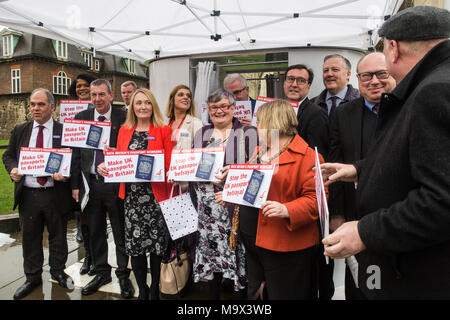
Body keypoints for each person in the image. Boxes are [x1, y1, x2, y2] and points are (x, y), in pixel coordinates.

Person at [320, 6, 450, 299]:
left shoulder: (433, 91)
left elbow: (441, 199)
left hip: (421, 272)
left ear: (393, 48)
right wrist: (359, 170)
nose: (377, 81)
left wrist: (365, 231)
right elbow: (415, 159)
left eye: (381, 73)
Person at [217, 99, 322, 299]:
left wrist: (287, 210)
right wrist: (232, 191)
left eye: (260, 122)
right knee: (257, 295)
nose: (256, 127)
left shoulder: (307, 157)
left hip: (284, 246)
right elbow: (253, 186)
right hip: (253, 241)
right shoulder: (260, 151)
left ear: (276, 123)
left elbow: (316, 201)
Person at [327, 52, 396, 300]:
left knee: (390, 282)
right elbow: (333, 165)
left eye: (381, 74)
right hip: (356, 214)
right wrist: (336, 213)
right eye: (366, 76)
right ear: (357, 79)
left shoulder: (406, 108)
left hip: (397, 213)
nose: (374, 81)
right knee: (361, 284)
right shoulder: (345, 114)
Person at [98, 88, 174, 300]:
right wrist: (107, 164)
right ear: (133, 106)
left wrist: (167, 172)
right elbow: (121, 160)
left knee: (157, 247)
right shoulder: (124, 130)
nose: (142, 107)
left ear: (153, 106)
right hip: (131, 200)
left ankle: (156, 289)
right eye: (138, 103)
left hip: (156, 198)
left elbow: (169, 165)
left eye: (147, 103)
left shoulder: (163, 130)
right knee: (137, 248)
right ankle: (143, 289)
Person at [2, 88, 74, 299]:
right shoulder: (20, 130)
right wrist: (13, 170)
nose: (35, 108)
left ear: (52, 107)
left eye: (40, 104)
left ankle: (58, 272)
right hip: (29, 194)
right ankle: (32, 278)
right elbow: (8, 156)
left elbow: (73, 159)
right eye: (32, 104)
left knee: (58, 237)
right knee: (30, 238)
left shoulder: (64, 130)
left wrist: (66, 174)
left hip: (55, 193)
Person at [191, 88, 258, 299]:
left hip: (233, 206)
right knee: (212, 253)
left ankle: (239, 298)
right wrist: (179, 173)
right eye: (214, 107)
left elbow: (256, 169)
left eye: (223, 106)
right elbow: (192, 164)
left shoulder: (249, 133)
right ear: (208, 110)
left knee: (236, 253)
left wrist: (233, 182)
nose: (219, 111)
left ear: (233, 108)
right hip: (207, 208)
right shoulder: (201, 133)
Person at [70, 79, 134, 298]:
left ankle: (123, 274)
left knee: (120, 231)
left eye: (101, 95)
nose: (97, 99)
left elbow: (132, 150)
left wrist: (116, 154)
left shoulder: (123, 118)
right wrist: (75, 185)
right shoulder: (81, 118)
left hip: (116, 185)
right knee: (95, 230)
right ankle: (101, 272)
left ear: (110, 95)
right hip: (91, 185)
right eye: (93, 95)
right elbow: (76, 155)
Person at [67, 73, 97, 274]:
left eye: (86, 85)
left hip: (101, 173)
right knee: (85, 218)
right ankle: (89, 256)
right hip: (81, 171)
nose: (82, 89)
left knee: (98, 223)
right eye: (79, 86)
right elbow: (72, 147)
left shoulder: (103, 110)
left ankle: (99, 258)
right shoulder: (70, 111)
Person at [283, 64, 329, 157]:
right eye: (290, 79)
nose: (294, 85)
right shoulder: (275, 111)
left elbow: (317, 154)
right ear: (284, 83)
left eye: (301, 81)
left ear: (308, 86)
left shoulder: (316, 114)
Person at [311, 54, 360, 122]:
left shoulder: (362, 102)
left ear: (348, 74)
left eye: (335, 70)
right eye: (326, 70)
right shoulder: (312, 104)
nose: (329, 74)